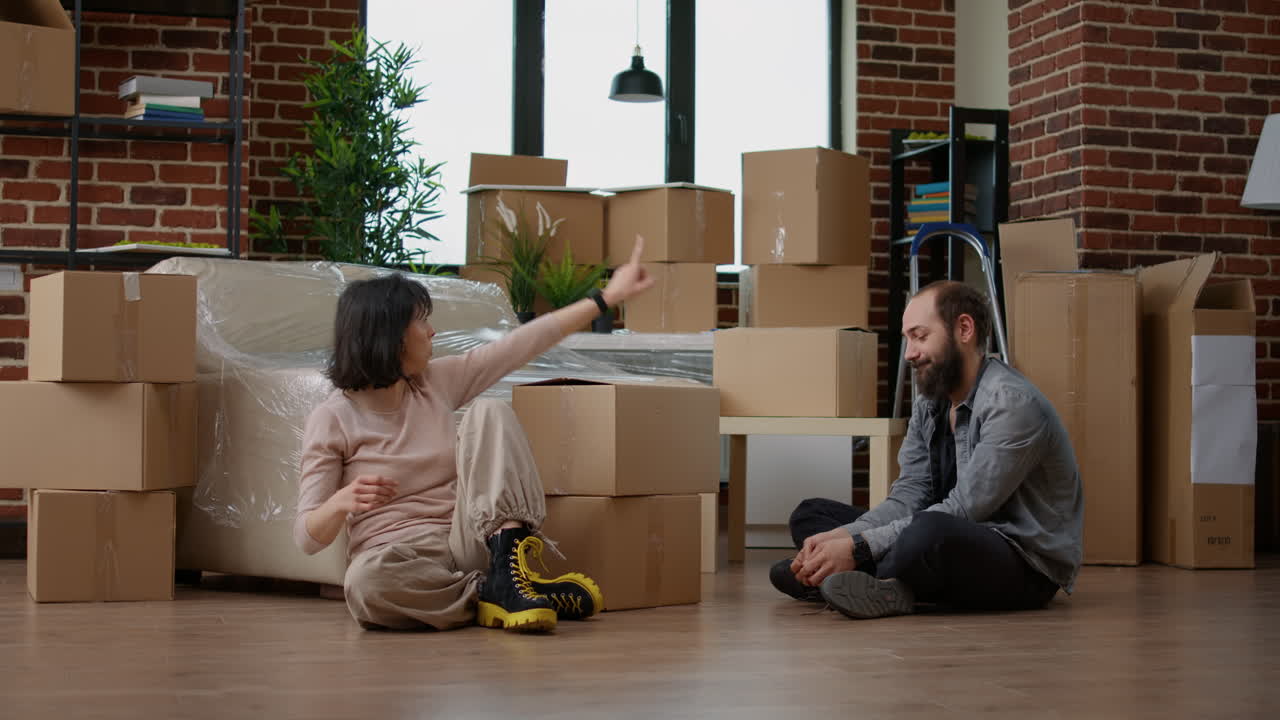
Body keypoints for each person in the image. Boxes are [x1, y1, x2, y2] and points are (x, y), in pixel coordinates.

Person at [295, 240, 655, 632]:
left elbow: (522, 343)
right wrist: (339, 503)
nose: (432, 332)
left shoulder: (437, 383)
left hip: (470, 538)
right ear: (391, 335)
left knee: (490, 411)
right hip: (397, 557)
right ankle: (493, 593)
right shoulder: (332, 418)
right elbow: (307, 538)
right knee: (364, 588)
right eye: (421, 321)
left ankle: (506, 566)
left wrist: (606, 298)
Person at [770, 280, 1082, 619]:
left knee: (927, 533)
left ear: (964, 329)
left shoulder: (1012, 405)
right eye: (907, 340)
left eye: (920, 337)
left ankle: (858, 578)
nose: (909, 354)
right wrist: (842, 536)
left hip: (1020, 561)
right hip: (937, 537)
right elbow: (910, 495)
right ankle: (886, 585)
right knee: (811, 516)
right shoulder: (929, 402)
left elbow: (964, 511)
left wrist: (857, 549)